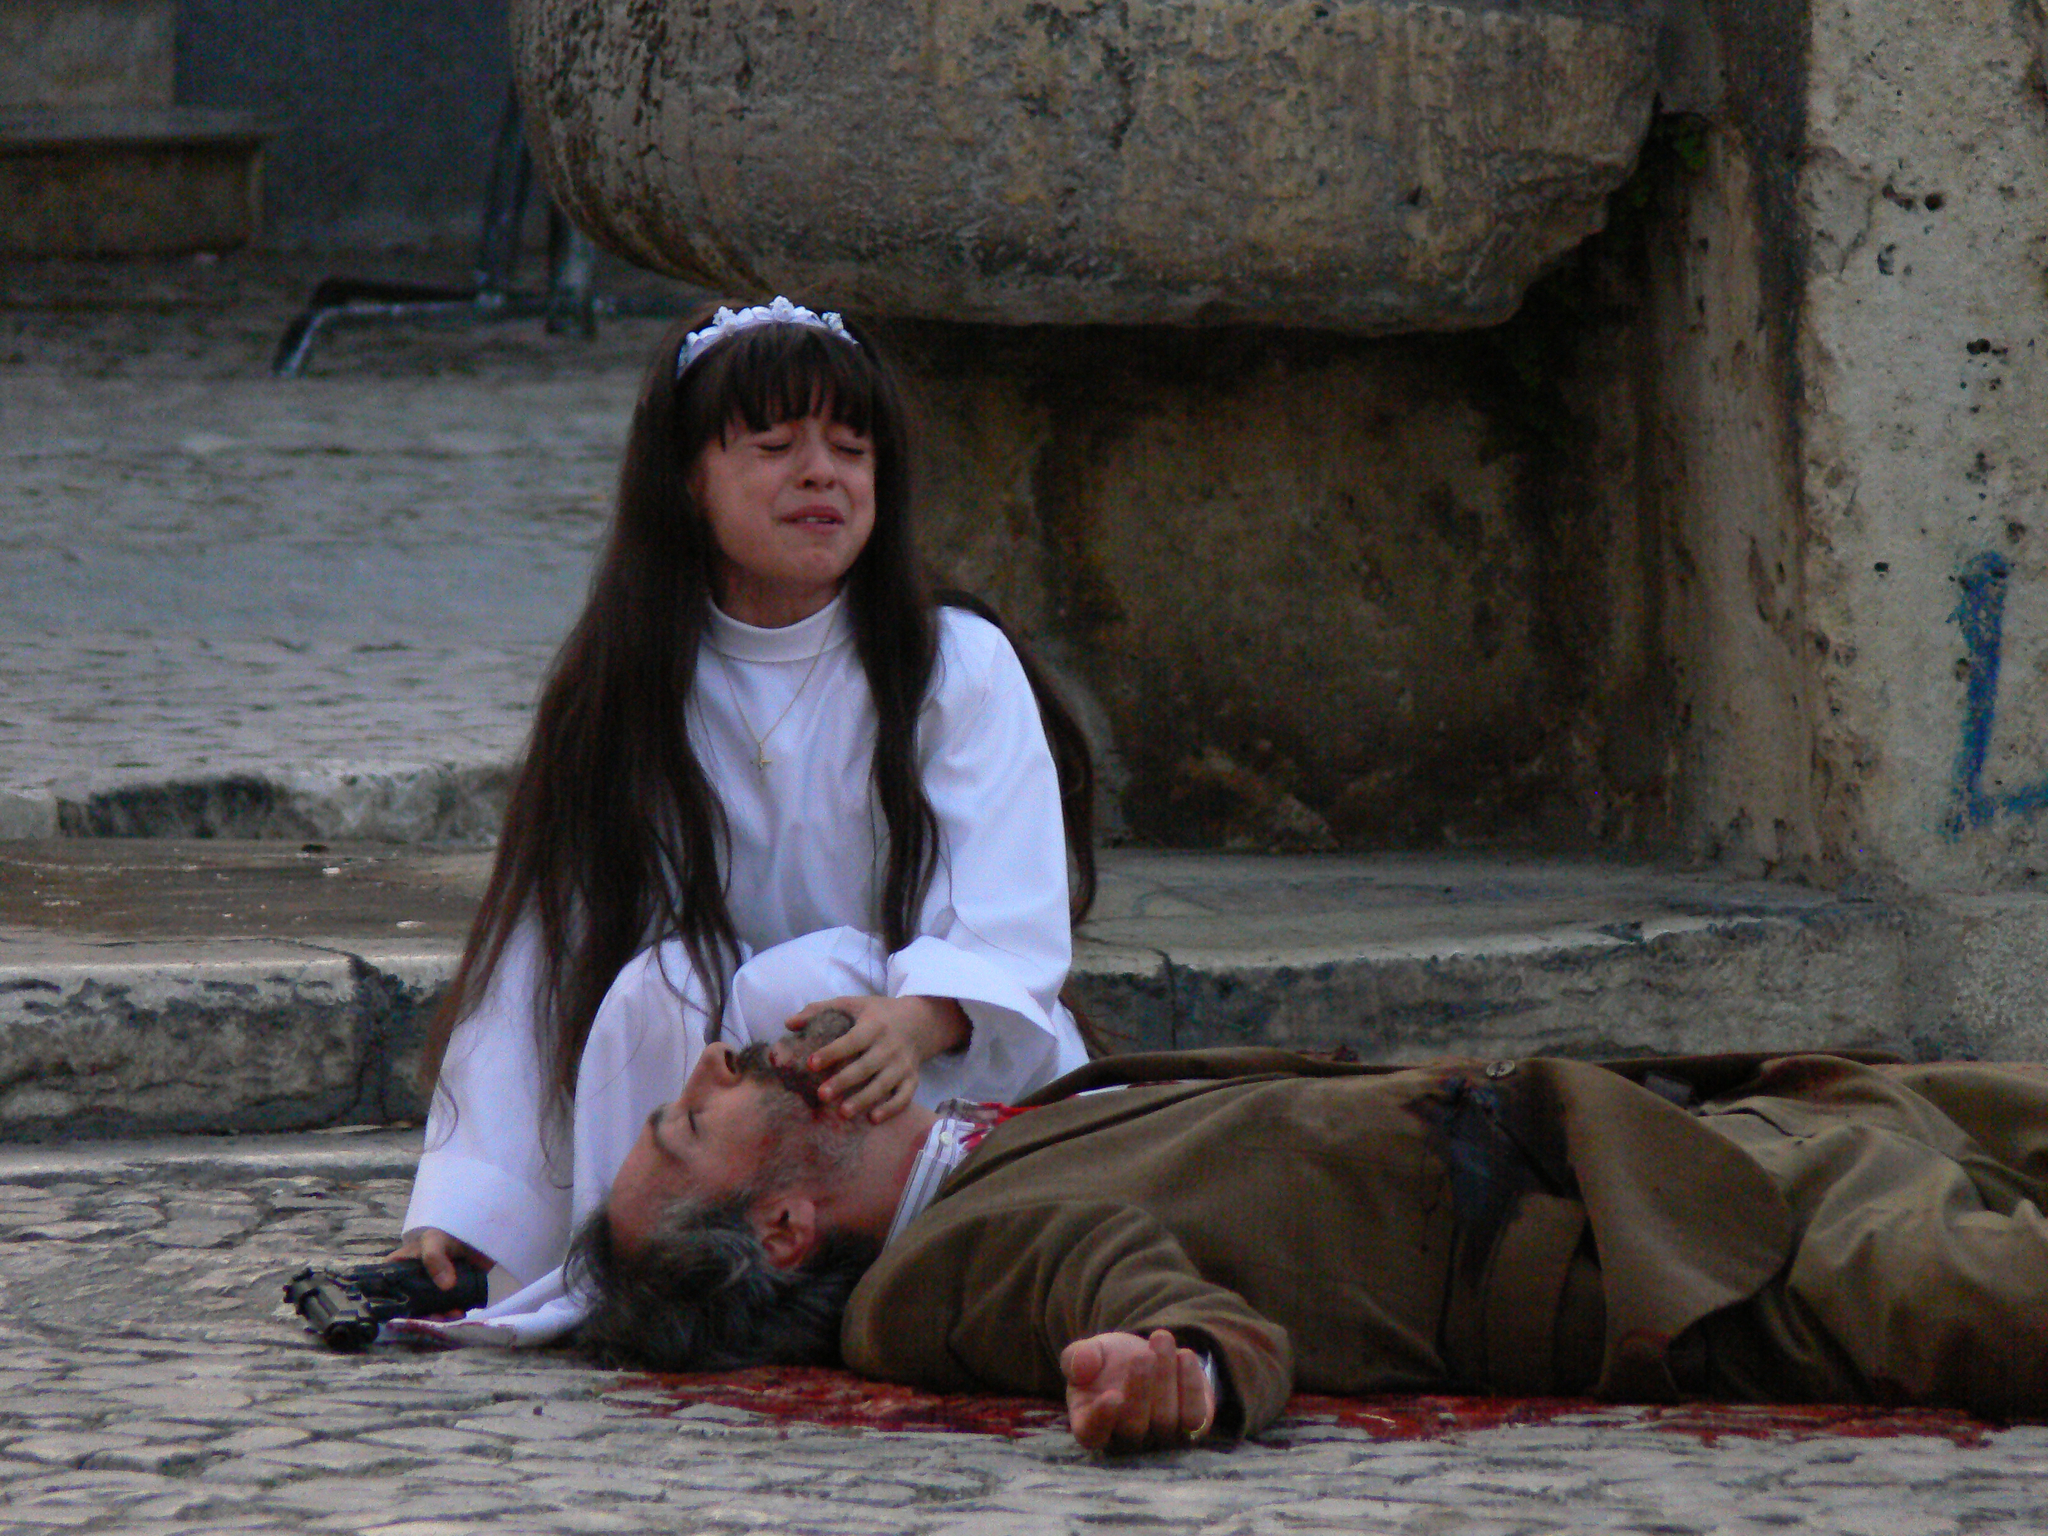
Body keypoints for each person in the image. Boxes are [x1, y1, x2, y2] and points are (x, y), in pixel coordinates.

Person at [387, 297, 1099, 1335]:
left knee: (796, 984)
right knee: (651, 985)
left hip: (917, 1066)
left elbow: (1007, 905)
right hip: (731, 1088)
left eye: (850, 449)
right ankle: (640, 1265)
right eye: (775, 446)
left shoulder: (952, 663)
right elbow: (542, 951)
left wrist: (918, 1018)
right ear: (687, 481)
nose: (821, 474)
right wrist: (461, 1212)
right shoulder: (629, 683)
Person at [569, 1037, 2048, 1451]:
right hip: (1695, 1257)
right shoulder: (934, 1279)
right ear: (782, 1222)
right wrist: (1187, 1374)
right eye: (693, 1120)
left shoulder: (989, 1123)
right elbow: (1131, 1290)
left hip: (1718, 1120)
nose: (711, 1064)